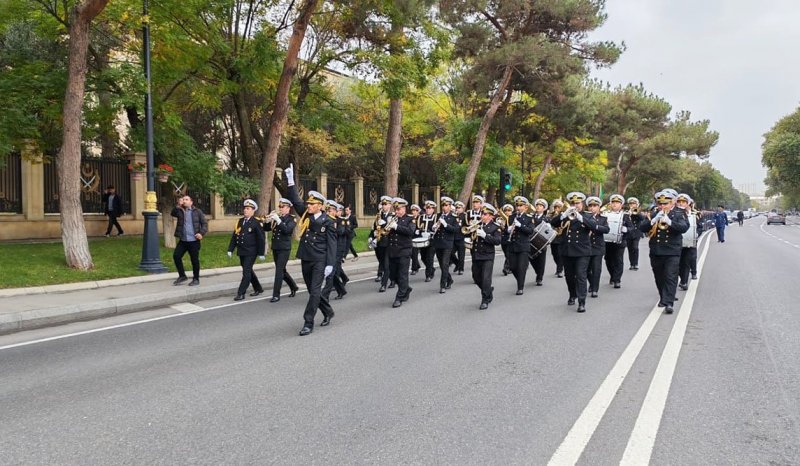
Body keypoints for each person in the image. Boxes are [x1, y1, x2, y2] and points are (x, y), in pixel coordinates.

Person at [284, 164, 337, 336]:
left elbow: (332, 244)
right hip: (306, 257)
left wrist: (330, 264)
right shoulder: (306, 214)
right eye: (308, 203)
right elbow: (295, 200)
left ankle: (308, 322)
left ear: (320, 206)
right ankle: (328, 311)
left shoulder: (328, 221)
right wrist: (290, 181)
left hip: (320, 259)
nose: (308, 205)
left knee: (314, 291)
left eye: (312, 204)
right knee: (311, 291)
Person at [639, 191, 689, 314]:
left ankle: (669, 302)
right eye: (660, 203)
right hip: (656, 250)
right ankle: (663, 297)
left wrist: (670, 222)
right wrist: (653, 220)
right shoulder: (654, 214)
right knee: (659, 276)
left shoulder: (679, 213)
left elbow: (684, 227)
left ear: (672, 203)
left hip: (672, 250)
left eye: (665, 203)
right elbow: (641, 227)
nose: (662, 206)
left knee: (670, 276)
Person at [550, 192, 598, 313]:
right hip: (567, 250)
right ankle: (572, 294)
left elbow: (593, 226)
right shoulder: (565, 215)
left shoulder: (587, 216)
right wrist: (563, 215)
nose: (575, 205)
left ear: (582, 204)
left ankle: (582, 302)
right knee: (569, 276)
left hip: (582, 251)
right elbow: (553, 223)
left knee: (581, 275)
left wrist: (580, 217)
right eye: (573, 203)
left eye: (577, 203)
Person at [227, 199, 266, 301]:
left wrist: (261, 253)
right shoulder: (240, 221)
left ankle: (241, 293)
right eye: (245, 208)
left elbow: (261, 239)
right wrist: (230, 249)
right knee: (248, 271)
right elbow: (235, 236)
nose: (245, 210)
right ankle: (258, 288)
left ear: (253, 211)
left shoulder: (256, 222)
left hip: (251, 252)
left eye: (248, 209)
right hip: (242, 251)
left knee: (246, 272)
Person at [263, 198, 299, 302]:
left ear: (288, 208)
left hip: (284, 248)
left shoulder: (292, 219)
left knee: (279, 271)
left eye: (282, 207)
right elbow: (266, 229)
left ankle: (276, 294)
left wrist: (278, 220)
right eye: (280, 207)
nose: (280, 209)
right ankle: (293, 286)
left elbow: (287, 230)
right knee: (282, 270)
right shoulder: (276, 218)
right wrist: (267, 221)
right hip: (276, 247)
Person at [385, 198, 416, 307]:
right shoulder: (394, 218)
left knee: (402, 275)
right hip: (393, 251)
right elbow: (387, 232)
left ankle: (399, 297)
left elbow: (410, 232)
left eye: (398, 209)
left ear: (404, 208)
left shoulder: (410, 219)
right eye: (395, 209)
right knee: (393, 275)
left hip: (404, 250)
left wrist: (396, 227)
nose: (397, 211)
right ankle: (406, 288)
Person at [171, 194, 208, 286]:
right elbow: (172, 213)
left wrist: (201, 233)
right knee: (176, 256)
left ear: (191, 202)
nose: (184, 201)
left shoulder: (197, 211)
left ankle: (196, 279)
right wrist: (178, 205)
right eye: (183, 199)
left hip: (194, 240)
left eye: (186, 199)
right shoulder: (180, 211)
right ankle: (182, 276)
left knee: (194, 260)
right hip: (183, 240)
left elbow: (204, 224)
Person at [472, 204, 502, 309]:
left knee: (486, 279)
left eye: (484, 214)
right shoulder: (477, 224)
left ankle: (485, 300)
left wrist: (485, 236)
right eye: (481, 214)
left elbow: (497, 241)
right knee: (476, 277)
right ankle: (488, 290)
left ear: (491, 216)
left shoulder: (495, 227)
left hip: (488, 256)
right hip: (476, 254)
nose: (482, 216)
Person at [603, 194, 633, 289]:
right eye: (613, 202)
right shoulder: (605, 214)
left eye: (617, 203)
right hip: (607, 241)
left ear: (621, 205)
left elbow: (631, 228)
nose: (615, 204)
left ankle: (617, 280)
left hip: (620, 241)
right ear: (611, 204)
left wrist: (626, 229)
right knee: (608, 259)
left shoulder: (625, 216)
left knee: (618, 260)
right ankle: (612, 275)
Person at [507, 196, 534, 295]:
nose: (518, 207)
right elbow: (507, 230)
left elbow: (530, 231)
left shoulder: (529, 218)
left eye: (520, 205)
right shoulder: (511, 217)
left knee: (521, 267)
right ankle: (520, 280)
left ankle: (520, 287)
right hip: (513, 245)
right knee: (513, 267)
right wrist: (508, 230)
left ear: (525, 207)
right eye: (517, 205)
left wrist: (520, 226)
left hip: (523, 246)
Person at [432, 196, 458, 294]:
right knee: (442, 265)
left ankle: (442, 285)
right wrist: (434, 227)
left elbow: (455, 230)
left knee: (445, 264)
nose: (444, 207)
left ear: (450, 206)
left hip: (447, 243)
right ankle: (450, 279)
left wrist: (446, 224)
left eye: (446, 205)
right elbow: (432, 227)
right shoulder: (438, 215)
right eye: (443, 205)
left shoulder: (453, 217)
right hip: (438, 243)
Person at [585, 196, 610, 298]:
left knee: (596, 269)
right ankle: (592, 283)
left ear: (599, 207)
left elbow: (606, 229)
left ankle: (595, 289)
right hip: (586, 246)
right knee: (586, 269)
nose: (592, 208)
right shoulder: (584, 217)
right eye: (590, 206)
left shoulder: (603, 218)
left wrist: (595, 226)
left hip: (598, 247)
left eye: (595, 206)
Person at [677, 194, 702, 290]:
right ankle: (682, 277)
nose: (681, 204)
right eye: (679, 202)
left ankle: (684, 282)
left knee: (686, 262)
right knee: (678, 264)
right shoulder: (674, 214)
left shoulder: (694, 215)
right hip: (677, 243)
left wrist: (697, 234)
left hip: (689, 244)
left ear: (688, 203)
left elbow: (699, 227)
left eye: (683, 202)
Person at [371, 196, 395, 290]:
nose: (384, 206)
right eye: (383, 204)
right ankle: (393, 279)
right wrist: (371, 237)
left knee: (386, 264)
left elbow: (391, 229)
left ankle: (383, 284)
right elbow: (373, 228)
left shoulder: (392, 215)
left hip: (388, 243)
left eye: (386, 204)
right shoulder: (378, 215)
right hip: (379, 243)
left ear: (390, 205)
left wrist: (384, 223)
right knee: (382, 262)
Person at [528, 198, 549, 286]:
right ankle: (538, 272)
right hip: (531, 241)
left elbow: (548, 231)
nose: (538, 207)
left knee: (541, 260)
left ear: (544, 209)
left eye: (540, 206)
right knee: (531, 258)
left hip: (541, 242)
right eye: (537, 205)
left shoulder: (546, 219)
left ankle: (539, 277)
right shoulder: (531, 217)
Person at [417, 200, 438, 281]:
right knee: (423, 257)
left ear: (433, 209)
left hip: (432, 241)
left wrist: (431, 233)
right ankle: (431, 268)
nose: (428, 210)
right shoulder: (421, 217)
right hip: (423, 240)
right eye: (427, 208)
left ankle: (428, 275)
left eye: (430, 208)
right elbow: (418, 227)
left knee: (430, 258)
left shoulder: (436, 217)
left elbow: (437, 229)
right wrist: (419, 231)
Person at [625, 197, 645, 270]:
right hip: (629, 233)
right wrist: (629, 214)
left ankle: (636, 263)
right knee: (630, 248)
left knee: (635, 247)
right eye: (631, 204)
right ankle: (632, 264)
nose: (632, 205)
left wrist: (637, 212)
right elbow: (624, 220)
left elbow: (642, 218)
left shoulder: (639, 211)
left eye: (634, 204)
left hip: (636, 232)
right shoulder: (627, 212)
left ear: (637, 204)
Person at [451, 201, 468, 275]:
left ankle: (461, 269)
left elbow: (467, 225)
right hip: (453, 238)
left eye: (459, 208)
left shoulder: (465, 216)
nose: (457, 209)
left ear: (462, 208)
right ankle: (457, 264)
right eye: (456, 207)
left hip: (461, 237)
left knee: (461, 255)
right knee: (450, 253)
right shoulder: (453, 216)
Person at [549, 199, 565, 278]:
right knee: (554, 254)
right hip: (553, 237)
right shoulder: (551, 215)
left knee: (559, 254)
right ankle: (559, 266)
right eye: (556, 207)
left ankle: (559, 270)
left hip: (561, 236)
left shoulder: (563, 215)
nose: (557, 209)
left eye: (559, 207)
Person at [409, 204, 422, 275]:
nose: (414, 212)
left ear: (418, 211)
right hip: (410, 237)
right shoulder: (410, 219)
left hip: (417, 238)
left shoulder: (420, 218)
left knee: (414, 253)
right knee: (411, 253)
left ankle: (414, 268)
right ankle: (417, 265)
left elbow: (422, 227)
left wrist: (418, 230)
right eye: (413, 210)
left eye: (415, 210)